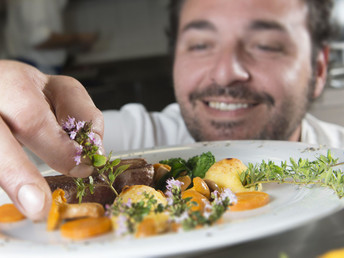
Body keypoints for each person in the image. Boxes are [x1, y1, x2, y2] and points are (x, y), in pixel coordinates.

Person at [0, 0, 343, 221]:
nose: (225, 72)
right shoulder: (130, 141)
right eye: (201, 45)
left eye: (266, 46)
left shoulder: (338, 158)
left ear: (320, 69)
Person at [4, 0, 97, 74]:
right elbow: (38, 39)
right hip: (37, 70)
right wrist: (78, 39)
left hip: (34, 68)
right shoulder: (39, 2)